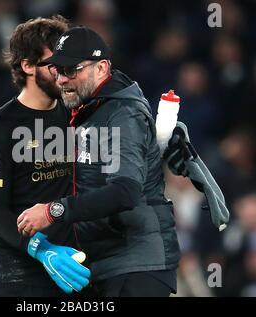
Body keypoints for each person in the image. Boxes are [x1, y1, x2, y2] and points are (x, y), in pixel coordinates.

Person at [17, 26, 180, 296]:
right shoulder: (89, 111)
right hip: (108, 266)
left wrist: (53, 211)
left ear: (102, 68)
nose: (61, 80)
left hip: (137, 266)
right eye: (58, 70)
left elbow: (125, 192)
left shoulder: (122, 114)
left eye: (72, 70)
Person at [0, 17, 90, 297]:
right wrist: (42, 250)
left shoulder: (79, 116)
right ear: (27, 65)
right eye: (54, 64)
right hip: (15, 272)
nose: (64, 72)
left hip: (71, 267)